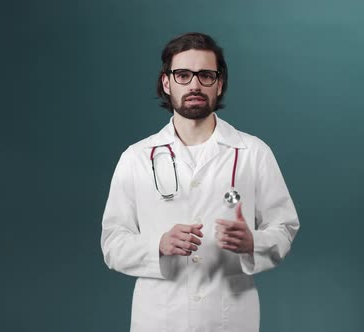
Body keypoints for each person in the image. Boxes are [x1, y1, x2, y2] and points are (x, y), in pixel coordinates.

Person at [100, 32, 300, 332]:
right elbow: (112, 242)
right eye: (183, 74)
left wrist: (252, 243)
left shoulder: (253, 152)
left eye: (206, 75)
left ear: (219, 84)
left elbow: (284, 227)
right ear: (167, 83)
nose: (194, 84)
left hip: (229, 317)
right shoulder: (137, 157)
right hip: (159, 318)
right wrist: (158, 245)